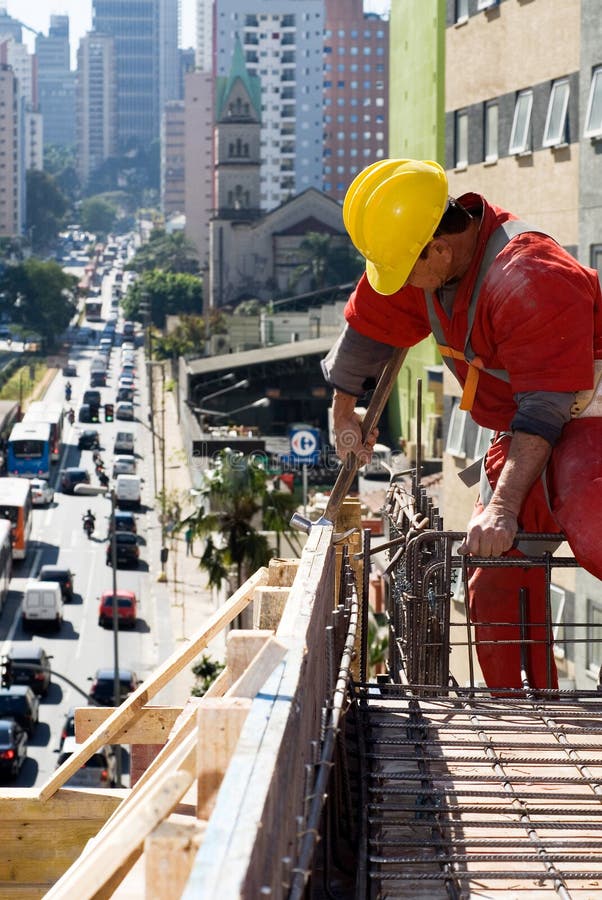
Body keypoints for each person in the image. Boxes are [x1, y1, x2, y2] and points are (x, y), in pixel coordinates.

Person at [322, 158, 602, 693]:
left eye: (406, 271)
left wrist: (502, 507)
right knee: (493, 584)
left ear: (440, 249)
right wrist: (342, 407)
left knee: (594, 530)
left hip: (587, 418)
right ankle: (524, 718)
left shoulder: (529, 276)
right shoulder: (427, 261)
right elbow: (371, 322)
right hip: (524, 428)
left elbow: (544, 409)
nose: (400, 284)